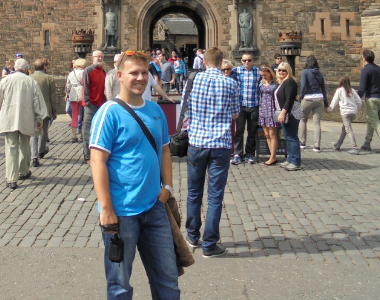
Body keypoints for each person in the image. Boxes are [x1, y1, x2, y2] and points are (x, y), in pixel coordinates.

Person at [89, 50, 180, 300]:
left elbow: (165, 150)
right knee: (119, 285)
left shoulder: (155, 110)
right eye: (134, 73)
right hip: (121, 213)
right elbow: (97, 161)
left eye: (144, 73)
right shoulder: (109, 112)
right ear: (120, 76)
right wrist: (106, 209)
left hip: (154, 207)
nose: (140, 78)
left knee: (168, 280)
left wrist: (168, 188)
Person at [185, 47, 240, 258]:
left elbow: (186, 108)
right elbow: (235, 114)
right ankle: (209, 244)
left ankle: (192, 236)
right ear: (221, 62)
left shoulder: (192, 81)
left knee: (193, 192)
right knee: (215, 196)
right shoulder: (231, 83)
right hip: (220, 144)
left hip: (197, 142)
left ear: (204, 62)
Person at [0, 58, 46, 189]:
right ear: (26, 69)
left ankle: (11, 178)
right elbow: (37, 102)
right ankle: (23, 171)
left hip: (9, 117)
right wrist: (39, 118)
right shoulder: (31, 82)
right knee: (25, 145)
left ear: (14, 68)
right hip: (26, 117)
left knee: (11, 147)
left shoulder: (5, 80)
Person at [358, 49, 380, 153]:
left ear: (364, 58)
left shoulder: (365, 70)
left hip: (371, 98)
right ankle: (367, 143)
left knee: (375, 121)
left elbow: (362, 88)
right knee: (371, 119)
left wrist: (357, 98)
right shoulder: (379, 69)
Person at [232, 53, 261, 165]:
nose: (246, 62)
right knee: (239, 131)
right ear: (241, 61)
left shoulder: (258, 72)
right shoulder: (236, 71)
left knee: (252, 131)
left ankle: (249, 153)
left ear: (253, 60)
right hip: (241, 105)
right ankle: (237, 154)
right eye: (244, 60)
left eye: (249, 60)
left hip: (254, 105)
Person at [82, 50, 108, 163]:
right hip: (91, 104)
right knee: (88, 129)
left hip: (101, 103)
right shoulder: (88, 70)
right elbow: (85, 86)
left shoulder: (103, 71)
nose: (100, 58)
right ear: (93, 58)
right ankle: (87, 155)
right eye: (98, 56)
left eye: (101, 57)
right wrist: (87, 101)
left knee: (100, 129)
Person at [30, 59, 57, 167]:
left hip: (32, 109)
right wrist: (54, 111)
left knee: (33, 133)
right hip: (45, 108)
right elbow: (53, 96)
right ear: (44, 67)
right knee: (43, 131)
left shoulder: (29, 78)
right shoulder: (49, 78)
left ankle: (34, 157)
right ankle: (41, 150)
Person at [275, 62, 301, 171]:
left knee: (292, 137)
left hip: (291, 113)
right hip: (285, 112)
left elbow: (289, 99)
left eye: (284, 70)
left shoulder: (290, 82)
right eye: (280, 70)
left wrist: (283, 113)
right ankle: (290, 158)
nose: (281, 72)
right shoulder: (283, 82)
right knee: (287, 136)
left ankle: (295, 161)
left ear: (288, 71)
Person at [299, 55, 327, 152]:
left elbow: (303, 86)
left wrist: (301, 96)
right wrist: (326, 103)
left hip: (308, 98)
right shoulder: (320, 73)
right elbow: (323, 89)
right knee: (317, 123)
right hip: (319, 99)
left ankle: (302, 142)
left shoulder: (305, 72)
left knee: (303, 120)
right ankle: (317, 146)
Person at [329, 76, 362, 155]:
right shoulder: (352, 90)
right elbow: (359, 101)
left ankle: (354, 147)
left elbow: (334, 101)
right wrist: (356, 109)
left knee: (348, 129)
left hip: (345, 113)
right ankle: (338, 144)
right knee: (344, 128)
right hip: (353, 112)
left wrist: (329, 109)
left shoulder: (339, 90)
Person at [257, 65, 280, 165]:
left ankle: (273, 157)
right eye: (262, 75)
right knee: (266, 134)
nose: (263, 77)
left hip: (272, 109)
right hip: (263, 108)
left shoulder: (275, 83)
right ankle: (272, 156)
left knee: (272, 134)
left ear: (270, 73)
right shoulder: (261, 83)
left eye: (265, 75)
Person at [66, 58, 86, 143]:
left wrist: (68, 93)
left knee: (74, 116)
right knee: (84, 115)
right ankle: (83, 134)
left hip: (73, 94)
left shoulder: (71, 73)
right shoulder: (84, 72)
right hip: (82, 94)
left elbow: (68, 85)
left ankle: (74, 136)